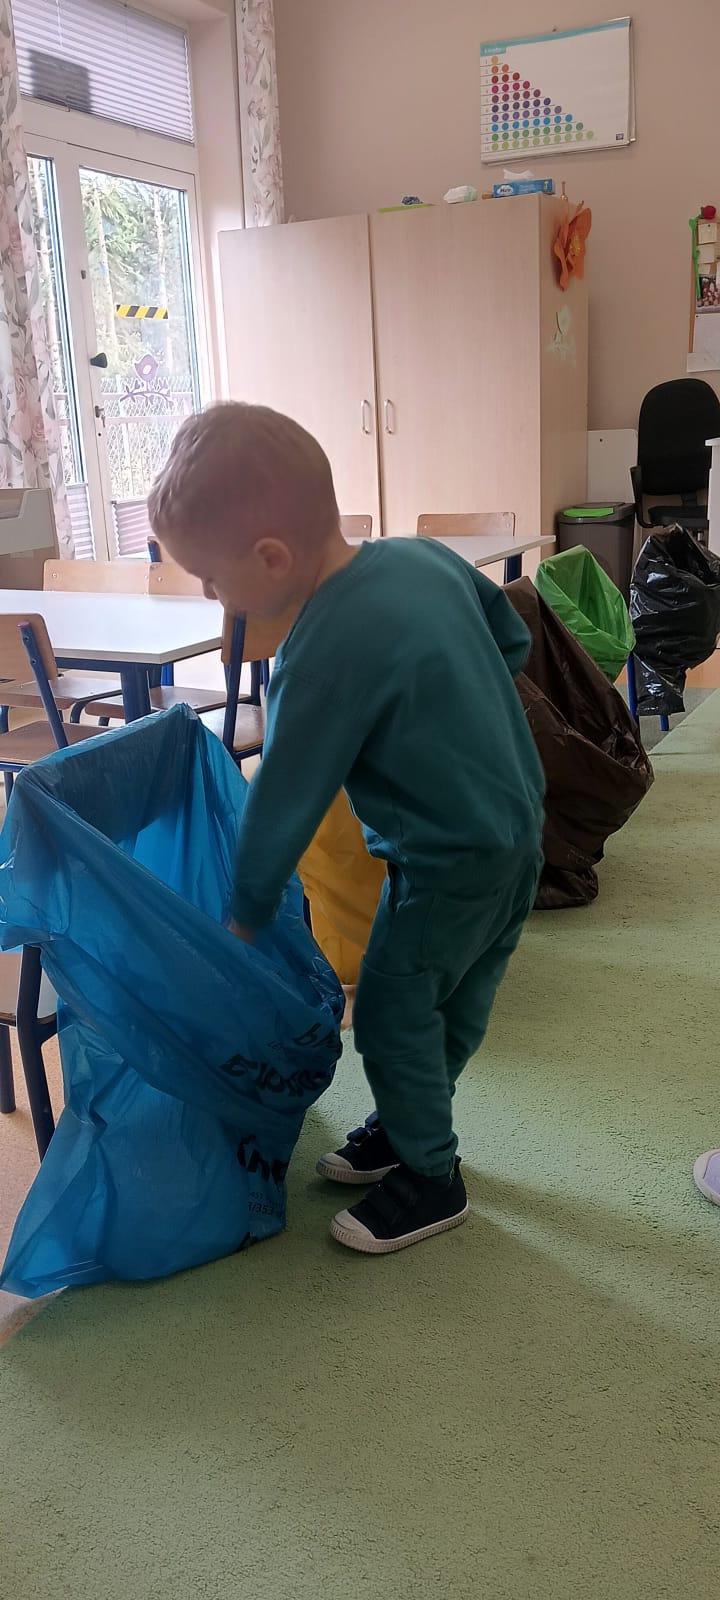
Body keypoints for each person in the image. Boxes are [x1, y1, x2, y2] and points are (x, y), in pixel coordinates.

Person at [148, 403, 545, 1255]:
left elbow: (281, 799)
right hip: (518, 827)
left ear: (271, 558)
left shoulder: (320, 653)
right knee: (454, 1000)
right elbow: (511, 634)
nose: (213, 599)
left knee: (395, 1011)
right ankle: (411, 1122)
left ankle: (432, 1177)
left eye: (211, 580)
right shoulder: (420, 557)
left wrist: (245, 912)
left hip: (443, 859)